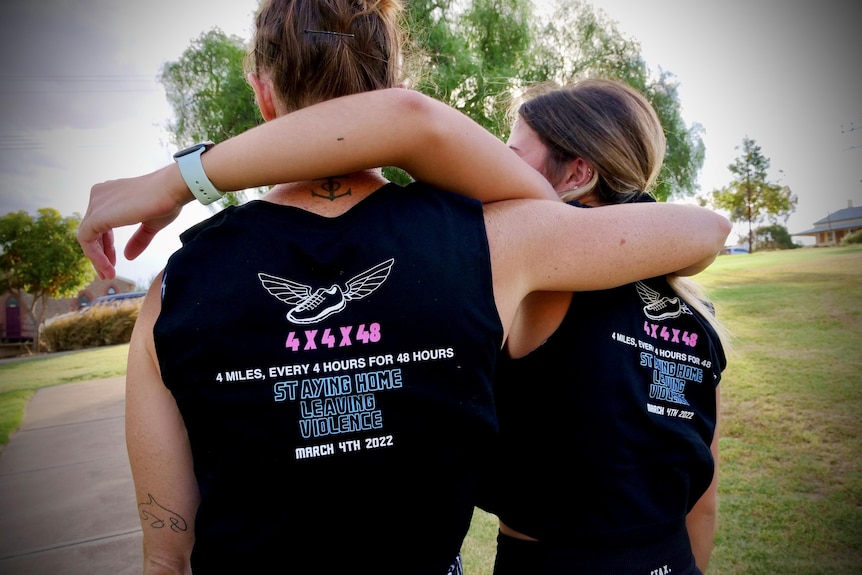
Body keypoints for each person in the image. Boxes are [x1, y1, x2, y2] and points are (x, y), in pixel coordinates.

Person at [78, 1, 730, 572]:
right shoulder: (498, 242)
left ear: (262, 96)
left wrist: (187, 176)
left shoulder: (174, 287)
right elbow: (703, 230)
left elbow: (166, 554)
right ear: (387, 88)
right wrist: (187, 177)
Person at [476, 79, 730, 575]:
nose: (498, 170)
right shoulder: (695, 312)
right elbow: (704, 506)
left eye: (511, 155)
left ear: (577, 173)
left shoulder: (540, 274)